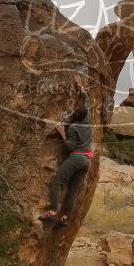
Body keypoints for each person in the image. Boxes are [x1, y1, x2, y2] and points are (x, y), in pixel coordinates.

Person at [39, 75, 93, 229]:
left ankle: (52, 213)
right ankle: (64, 218)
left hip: (76, 158)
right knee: (73, 191)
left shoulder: (75, 127)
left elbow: (70, 146)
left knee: (57, 181)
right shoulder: (88, 118)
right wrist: (80, 84)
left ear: (75, 115)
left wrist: (63, 133)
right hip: (87, 161)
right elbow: (86, 98)